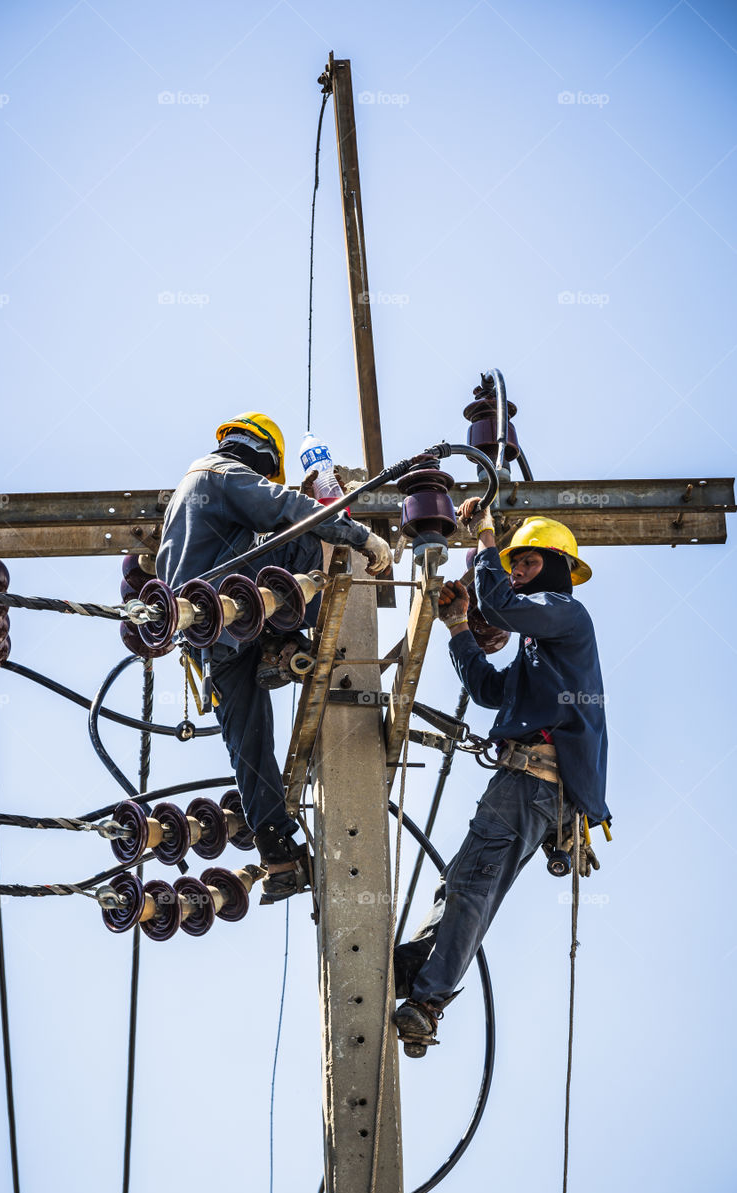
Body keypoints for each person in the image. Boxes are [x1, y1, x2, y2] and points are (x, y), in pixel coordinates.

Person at [393, 499, 609, 1052]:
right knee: (463, 881)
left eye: (527, 564)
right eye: (515, 565)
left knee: (472, 885)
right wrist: (458, 626)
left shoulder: (567, 614)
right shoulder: (542, 650)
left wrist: (485, 535)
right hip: (526, 785)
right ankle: (419, 967)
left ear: (557, 566)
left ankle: (428, 997)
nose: (517, 573)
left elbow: (502, 603)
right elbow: (491, 692)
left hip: (533, 782)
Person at [156, 412, 392, 903]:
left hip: (208, 639)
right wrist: (358, 536)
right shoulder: (221, 473)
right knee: (306, 526)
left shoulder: (184, 498)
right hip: (228, 606)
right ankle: (279, 641)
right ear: (264, 453)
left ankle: (279, 854)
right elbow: (288, 509)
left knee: (250, 749)